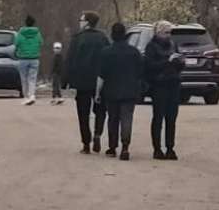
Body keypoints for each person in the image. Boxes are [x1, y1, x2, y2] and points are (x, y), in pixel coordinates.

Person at [64, 11, 109, 153]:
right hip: (99, 81)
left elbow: (70, 60)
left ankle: (86, 143)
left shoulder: (77, 39)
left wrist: (65, 81)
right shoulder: (103, 38)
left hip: (82, 81)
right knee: (100, 111)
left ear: (87, 22)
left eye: (81, 20)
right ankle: (97, 133)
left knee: (83, 114)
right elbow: (108, 58)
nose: (80, 22)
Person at [99, 22, 144, 161]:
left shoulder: (106, 52)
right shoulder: (134, 52)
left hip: (111, 90)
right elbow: (140, 72)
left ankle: (112, 148)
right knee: (127, 118)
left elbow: (101, 75)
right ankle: (125, 147)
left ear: (112, 35)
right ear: (124, 34)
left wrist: (97, 93)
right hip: (130, 90)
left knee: (113, 119)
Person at [143, 20, 183, 160]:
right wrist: (167, 62)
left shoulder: (173, 44)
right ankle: (157, 148)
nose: (169, 35)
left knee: (171, 118)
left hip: (173, 83)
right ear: (158, 32)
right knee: (158, 117)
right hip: (159, 85)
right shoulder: (151, 46)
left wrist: (180, 62)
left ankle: (170, 148)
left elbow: (178, 63)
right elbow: (149, 66)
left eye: (170, 33)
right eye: (166, 32)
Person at [15, 15, 43, 105]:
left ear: (25, 23)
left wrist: (16, 53)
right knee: (32, 78)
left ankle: (26, 97)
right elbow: (41, 43)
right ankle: (32, 95)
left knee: (24, 79)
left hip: (23, 58)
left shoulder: (20, 33)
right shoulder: (37, 33)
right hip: (34, 58)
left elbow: (16, 43)